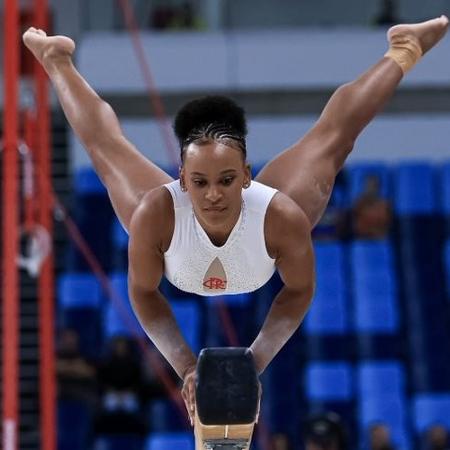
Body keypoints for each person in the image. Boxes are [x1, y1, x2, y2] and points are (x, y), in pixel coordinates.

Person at [23, 16, 449, 425]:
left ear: (246, 175)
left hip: (258, 237)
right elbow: (145, 296)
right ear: (182, 180)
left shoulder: (280, 215)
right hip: (179, 242)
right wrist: (187, 367)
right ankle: (57, 60)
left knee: (334, 137)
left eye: (227, 180)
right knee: (105, 149)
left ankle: (406, 48)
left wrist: (253, 362)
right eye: (200, 181)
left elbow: (299, 291)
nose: (213, 195)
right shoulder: (157, 213)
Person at [352, 174, 392, 239]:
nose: (370, 189)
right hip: (362, 238)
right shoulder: (359, 204)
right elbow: (356, 226)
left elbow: (386, 227)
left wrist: (376, 233)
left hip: (379, 239)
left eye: (373, 186)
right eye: (368, 186)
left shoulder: (384, 205)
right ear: (364, 187)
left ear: (378, 187)